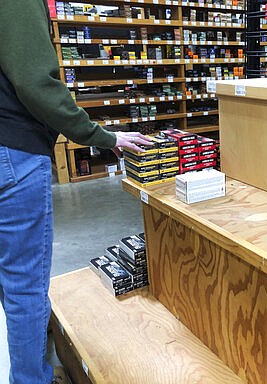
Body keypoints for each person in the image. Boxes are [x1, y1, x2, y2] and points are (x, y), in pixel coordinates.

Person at [0, 1, 153, 383]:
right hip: (11, 149)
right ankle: (30, 378)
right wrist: (101, 136)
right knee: (24, 283)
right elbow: (35, 82)